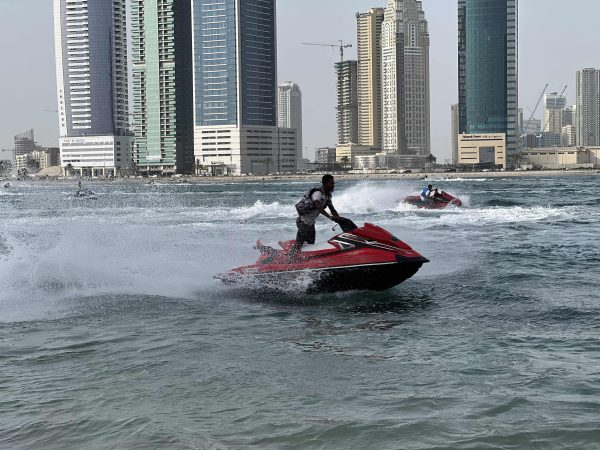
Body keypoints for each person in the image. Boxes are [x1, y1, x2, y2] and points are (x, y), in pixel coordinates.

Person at [289, 174, 339, 259]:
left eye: (333, 183)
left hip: (310, 223)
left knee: (311, 244)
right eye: (331, 183)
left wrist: (340, 219)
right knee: (299, 244)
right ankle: (289, 260)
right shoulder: (318, 193)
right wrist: (329, 217)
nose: (333, 185)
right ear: (325, 183)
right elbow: (318, 206)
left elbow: (332, 209)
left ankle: (304, 260)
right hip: (303, 222)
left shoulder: (327, 196)